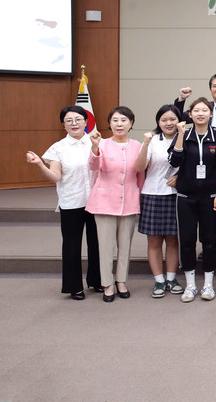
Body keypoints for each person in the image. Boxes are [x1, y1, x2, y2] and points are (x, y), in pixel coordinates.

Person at [26, 106, 101, 300]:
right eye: (69, 121)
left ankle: (97, 280)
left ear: (86, 122)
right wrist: (40, 165)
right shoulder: (58, 148)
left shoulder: (97, 142)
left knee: (97, 243)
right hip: (71, 202)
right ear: (63, 125)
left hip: (97, 201)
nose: (74, 123)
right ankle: (74, 286)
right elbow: (55, 176)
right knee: (71, 245)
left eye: (78, 119)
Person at [167, 98, 216, 303]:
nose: (201, 113)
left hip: (210, 197)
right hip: (186, 197)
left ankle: (208, 284)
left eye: (204, 110)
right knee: (187, 240)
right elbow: (174, 161)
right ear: (190, 114)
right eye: (196, 110)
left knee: (210, 241)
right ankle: (190, 285)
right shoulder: (183, 134)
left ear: (211, 114)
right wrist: (180, 135)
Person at [175, 73, 216, 260]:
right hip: (203, 169)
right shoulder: (202, 108)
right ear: (210, 89)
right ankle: (210, 248)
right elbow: (177, 119)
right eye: (215, 85)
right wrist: (181, 100)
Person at [85, 106, 143, 302]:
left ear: (131, 123)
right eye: (115, 120)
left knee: (125, 245)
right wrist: (94, 147)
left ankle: (121, 281)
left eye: (124, 120)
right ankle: (107, 283)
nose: (119, 124)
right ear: (109, 123)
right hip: (104, 202)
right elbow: (93, 166)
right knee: (106, 246)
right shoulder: (101, 144)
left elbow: (141, 174)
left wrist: (140, 199)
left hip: (129, 201)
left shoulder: (138, 146)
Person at [134, 104, 184, 298]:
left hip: (177, 195)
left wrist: (180, 177)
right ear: (158, 122)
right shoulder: (153, 140)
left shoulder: (185, 138)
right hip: (153, 194)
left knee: (173, 240)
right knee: (154, 240)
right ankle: (159, 280)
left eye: (172, 119)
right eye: (164, 120)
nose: (168, 123)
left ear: (179, 121)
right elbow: (139, 168)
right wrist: (145, 144)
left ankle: (171, 278)